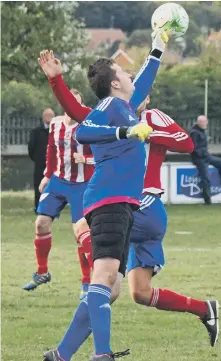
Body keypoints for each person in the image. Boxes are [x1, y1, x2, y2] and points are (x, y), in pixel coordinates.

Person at [42, 87, 219, 361]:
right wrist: (57, 82)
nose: (138, 96)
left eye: (143, 92)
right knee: (136, 292)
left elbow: (187, 143)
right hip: (136, 209)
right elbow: (83, 120)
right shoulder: (116, 116)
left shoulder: (153, 116)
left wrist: (148, 131)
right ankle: (204, 309)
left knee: (83, 231)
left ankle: (68, 351)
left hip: (144, 204)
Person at [42, 29, 168, 361]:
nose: (130, 75)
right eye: (125, 72)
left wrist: (157, 49)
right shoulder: (113, 105)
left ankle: (61, 354)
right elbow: (82, 131)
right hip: (109, 200)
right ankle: (101, 355)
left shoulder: (124, 105)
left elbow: (143, 81)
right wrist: (125, 131)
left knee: (108, 288)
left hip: (119, 202)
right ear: (114, 83)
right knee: (104, 278)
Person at [23, 90, 94, 300]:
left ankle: (87, 282)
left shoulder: (90, 122)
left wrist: (87, 158)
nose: (74, 106)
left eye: (77, 103)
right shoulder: (55, 123)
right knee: (41, 223)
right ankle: (42, 272)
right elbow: (51, 150)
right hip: (58, 180)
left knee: (80, 233)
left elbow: (105, 149)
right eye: (69, 102)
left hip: (82, 184)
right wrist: (46, 175)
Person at [190, 115, 221, 204]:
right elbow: (194, 148)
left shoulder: (203, 131)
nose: (204, 124)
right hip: (199, 158)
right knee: (205, 178)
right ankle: (207, 200)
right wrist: (205, 153)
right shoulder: (194, 133)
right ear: (198, 122)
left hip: (206, 156)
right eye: (202, 122)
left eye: (205, 122)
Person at [28, 108, 55, 211]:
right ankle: (38, 208)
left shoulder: (57, 130)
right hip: (40, 164)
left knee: (52, 187)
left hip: (54, 164)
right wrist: (38, 159)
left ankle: (51, 208)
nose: (49, 117)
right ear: (43, 117)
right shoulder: (36, 131)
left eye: (51, 115)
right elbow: (31, 148)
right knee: (39, 185)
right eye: (47, 115)